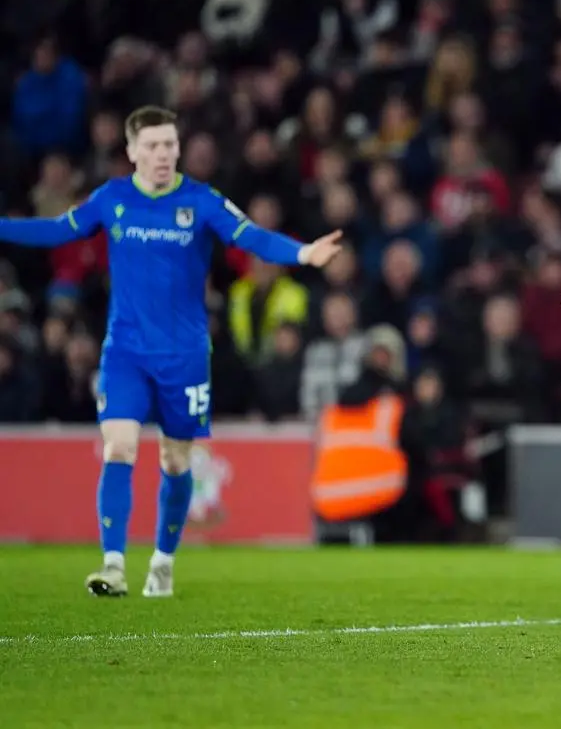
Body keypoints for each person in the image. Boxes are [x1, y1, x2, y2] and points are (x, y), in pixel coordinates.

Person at [0, 106, 343, 598]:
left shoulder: (201, 202)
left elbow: (252, 237)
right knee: (118, 445)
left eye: (170, 145)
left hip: (183, 358)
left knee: (177, 462)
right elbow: (58, 229)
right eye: (154, 146)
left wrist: (303, 253)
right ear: (132, 151)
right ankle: (113, 564)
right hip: (126, 353)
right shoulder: (113, 198)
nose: (163, 154)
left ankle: (162, 560)